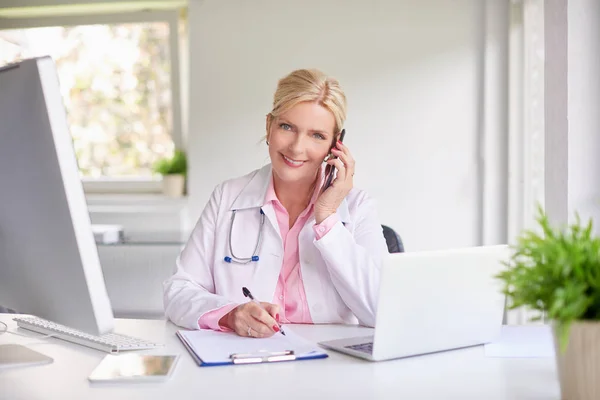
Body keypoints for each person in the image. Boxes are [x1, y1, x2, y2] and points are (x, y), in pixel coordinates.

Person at [163, 68, 388, 338]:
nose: (296, 147)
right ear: (269, 125)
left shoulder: (357, 207)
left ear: (335, 144)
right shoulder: (227, 197)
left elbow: (384, 310)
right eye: (287, 127)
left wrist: (327, 218)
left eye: (316, 135)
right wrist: (230, 314)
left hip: (332, 367)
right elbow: (178, 291)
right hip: (243, 361)